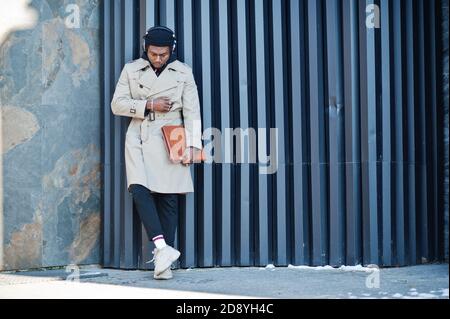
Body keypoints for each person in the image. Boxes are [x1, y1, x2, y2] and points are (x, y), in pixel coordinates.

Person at [111, 26, 203, 280]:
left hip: (172, 135)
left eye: (163, 54)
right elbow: (117, 104)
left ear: (171, 50)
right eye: (153, 54)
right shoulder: (132, 70)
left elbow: (192, 111)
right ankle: (163, 249)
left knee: (168, 197)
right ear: (146, 49)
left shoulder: (183, 72)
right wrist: (149, 104)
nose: (158, 58)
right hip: (139, 134)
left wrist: (194, 145)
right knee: (138, 189)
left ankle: (164, 265)